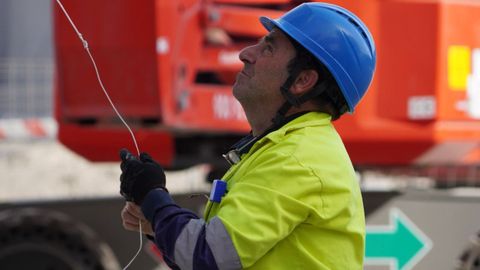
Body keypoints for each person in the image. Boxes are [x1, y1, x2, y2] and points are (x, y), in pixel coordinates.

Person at [119, 2, 376, 269]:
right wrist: (157, 222)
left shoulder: (296, 159)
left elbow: (207, 256)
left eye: (268, 48)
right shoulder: (285, 149)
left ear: (302, 81)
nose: (244, 53)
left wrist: (154, 198)